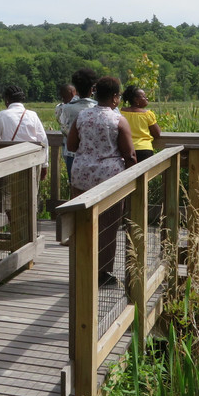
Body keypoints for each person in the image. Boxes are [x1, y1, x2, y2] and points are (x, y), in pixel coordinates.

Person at [67, 76, 135, 286]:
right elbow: (130, 154)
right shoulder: (117, 120)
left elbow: (71, 145)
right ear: (115, 97)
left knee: (80, 224)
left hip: (81, 176)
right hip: (109, 179)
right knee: (108, 226)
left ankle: (80, 269)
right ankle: (103, 273)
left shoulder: (82, 116)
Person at [0, 84, 49, 168]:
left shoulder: (2, 115)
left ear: (7, 99)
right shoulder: (33, 115)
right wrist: (45, 164)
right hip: (31, 162)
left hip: (10, 163)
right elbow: (43, 140)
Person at [58, 67, 98, 181]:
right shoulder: (97, 107)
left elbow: (64, 129)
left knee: (75, 187)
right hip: (94, 155)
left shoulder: (67, 108)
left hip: (72, 155)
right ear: (92, 89)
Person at [121, 85, 162, 161]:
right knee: (145, 172)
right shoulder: (147, 114)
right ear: (136, 100)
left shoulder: (121, 113)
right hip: (144, 150)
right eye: (143, 96)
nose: (147, 98)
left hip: (125, 149)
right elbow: (157, 133)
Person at [54, 83, 78, 178]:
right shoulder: (77, 106)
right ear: (73, 93)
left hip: (68, 150)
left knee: (72, 182)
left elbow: (63, 126)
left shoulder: (60, 108)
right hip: (80, 152)